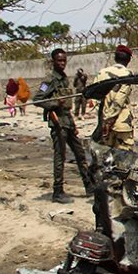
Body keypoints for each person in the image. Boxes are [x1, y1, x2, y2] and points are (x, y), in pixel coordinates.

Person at [33, 49, 92, 203]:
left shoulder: (65, 79)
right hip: (58, 123)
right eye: (59, 61)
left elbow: (67, 105)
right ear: (53, 61)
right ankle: (57, 191)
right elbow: (37, 99)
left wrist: (73, 123)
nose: (62, 63)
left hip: (68, 121)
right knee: (60, 157)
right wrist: (54, 103)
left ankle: (89, 186)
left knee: (80, 154)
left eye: (64, 60)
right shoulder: (49, 80)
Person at [92, 44, 135, 150]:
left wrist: (104, 119)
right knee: (125, 157)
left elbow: (95, 98)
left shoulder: (102, 72)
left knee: (106, 157)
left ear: (115, 58)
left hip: (104, 125)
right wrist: (109, 119)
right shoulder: (127, 74)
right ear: (128, 59)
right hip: (121, 123)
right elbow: (120, 98)